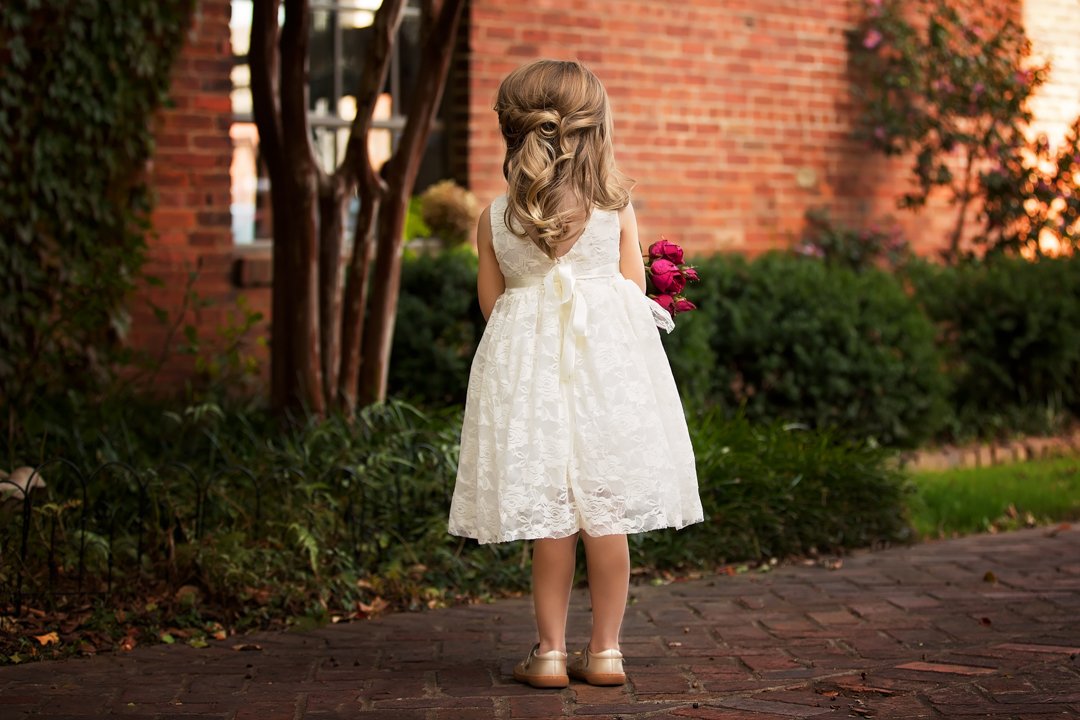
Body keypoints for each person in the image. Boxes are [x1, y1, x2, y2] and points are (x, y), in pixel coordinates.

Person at [448, 59, 703, 689]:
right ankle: (608, 651)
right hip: (606, 380)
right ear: (595, 130)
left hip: (532, 383)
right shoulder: (615, 210)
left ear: (517, 131)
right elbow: (632, 290)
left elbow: (492, 307)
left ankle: (551, 654)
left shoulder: (494, 219)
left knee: (553, 520)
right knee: (603, 512)